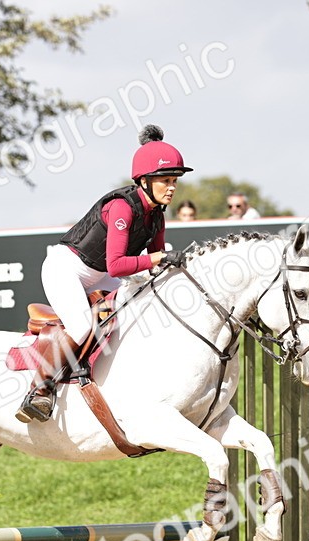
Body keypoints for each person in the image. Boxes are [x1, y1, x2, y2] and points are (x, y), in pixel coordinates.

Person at [16, 124, 191, 423]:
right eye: (165, 180)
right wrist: (159, 258)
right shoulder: (123, 208)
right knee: (83, 327)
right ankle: (39, 390)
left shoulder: (157, 215)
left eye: (174, 180)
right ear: (144, 181)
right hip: (67, 268)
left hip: (98, 272)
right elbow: (118, 266)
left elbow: (153, 263)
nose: (172, 187)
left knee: (139, 308)